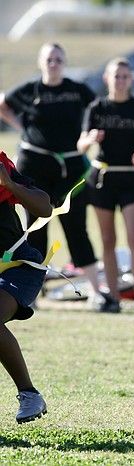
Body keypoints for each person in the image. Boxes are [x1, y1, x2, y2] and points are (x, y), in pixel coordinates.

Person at [0, 43, 102, 305]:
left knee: (77, 228)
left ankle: (97, 292)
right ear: (40, 62)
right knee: (35, 230)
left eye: (58, 59)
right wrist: (20, 126)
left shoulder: (76, 90)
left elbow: (98, 110)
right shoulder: (31, 89)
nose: (53, 64)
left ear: (64, 62)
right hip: (34, 165)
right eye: (49, 60)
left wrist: (88, 136)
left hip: (71, 169)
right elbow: (3, 104)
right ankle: (29, 294)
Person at [77, 57, 134, 314]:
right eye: (116, 76)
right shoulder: (97, 108)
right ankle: (112, 297)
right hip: (103, 178)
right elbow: (81, 145)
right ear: (107, 79)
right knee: (107, 239)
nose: (121, 81)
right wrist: (90, 139)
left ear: (131, 79)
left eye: (125, 76)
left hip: (130, 178)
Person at [0, 150, 53, 423]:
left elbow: (45, 207)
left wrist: (10, 184)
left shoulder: (2, 167)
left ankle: (29, 394)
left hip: (17, 268)